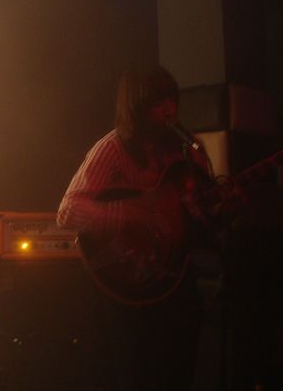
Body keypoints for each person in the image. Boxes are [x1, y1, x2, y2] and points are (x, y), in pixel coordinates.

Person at [57, 65, 213, 391]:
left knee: (180, 369)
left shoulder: (188, 150)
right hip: (127, 288)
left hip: (175, 280)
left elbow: (202, 218)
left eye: (172, 99)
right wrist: (131, 215)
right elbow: (69, 211)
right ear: (137, 106)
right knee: (134, 373)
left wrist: (223, 210)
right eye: (158, 102)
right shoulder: (112, 148)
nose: (169, 109)